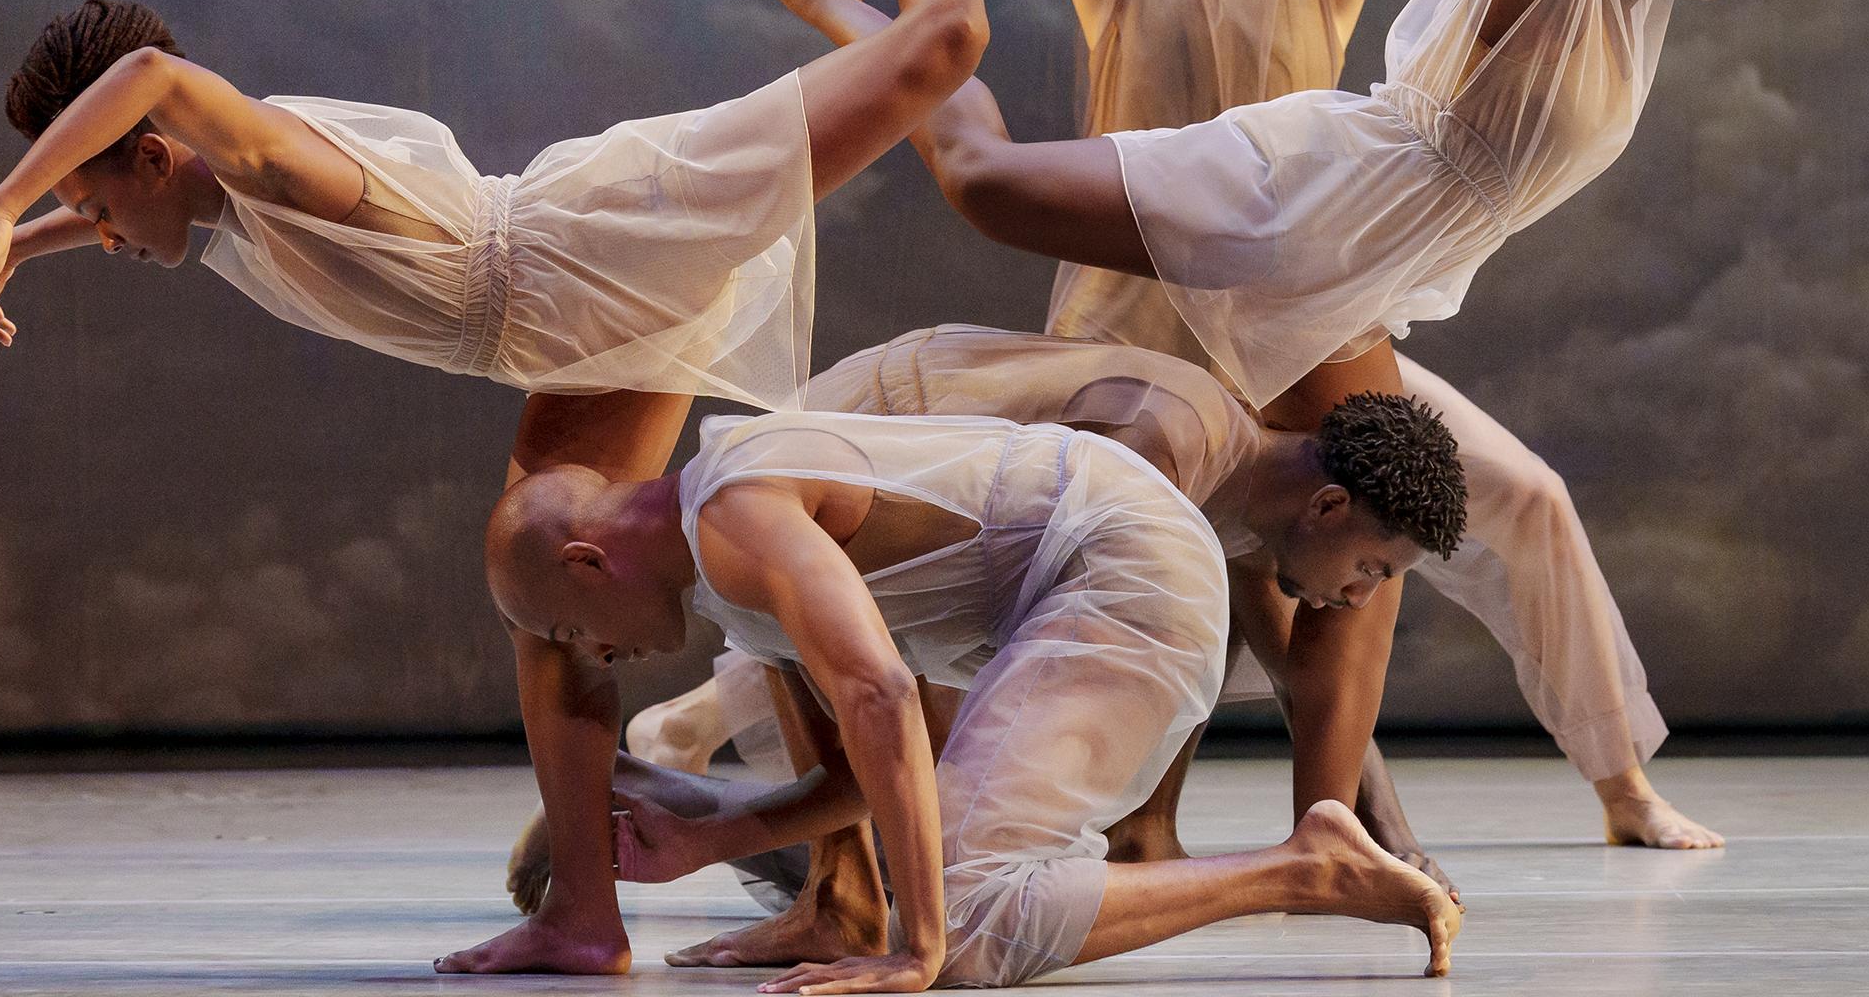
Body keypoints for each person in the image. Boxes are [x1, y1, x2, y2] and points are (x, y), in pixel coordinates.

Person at [830, 0, 1869, 847]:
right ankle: (860, 19)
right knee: (985, 185)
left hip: (1365, 269)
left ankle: (1325, 825)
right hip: (1306, 196)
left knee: (1377, 522)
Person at [0, 0, 1012, 977]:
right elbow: (137, 184)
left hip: (597, 239)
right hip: (562, 334)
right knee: (548, 601)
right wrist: (32, 250)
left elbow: (157, 81)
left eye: (99, 203)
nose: (105, 232)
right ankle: (588, 916)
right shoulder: (205, 207)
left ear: (154, 158)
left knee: (947, 40)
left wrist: (1, 208)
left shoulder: (275, 168)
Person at [857, 0, 1706, 849]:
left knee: (1488, 505)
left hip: (1305, 309)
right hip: (1140, 311)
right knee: (1135, 553)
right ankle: (1144, 818)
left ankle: (1587, 784)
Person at [488, 411, 1461, 989]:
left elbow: (879, 698)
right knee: (953, 896)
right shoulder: (728, 575)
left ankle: (1303, 868)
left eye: (574, 631)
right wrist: (710, 839)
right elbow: (870, 774)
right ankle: (1304, 864)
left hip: (1123, 559)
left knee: (959, 922)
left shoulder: (733, 508)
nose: (597, 655)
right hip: (1099, 563)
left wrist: (916, 945)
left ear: (589, 560)